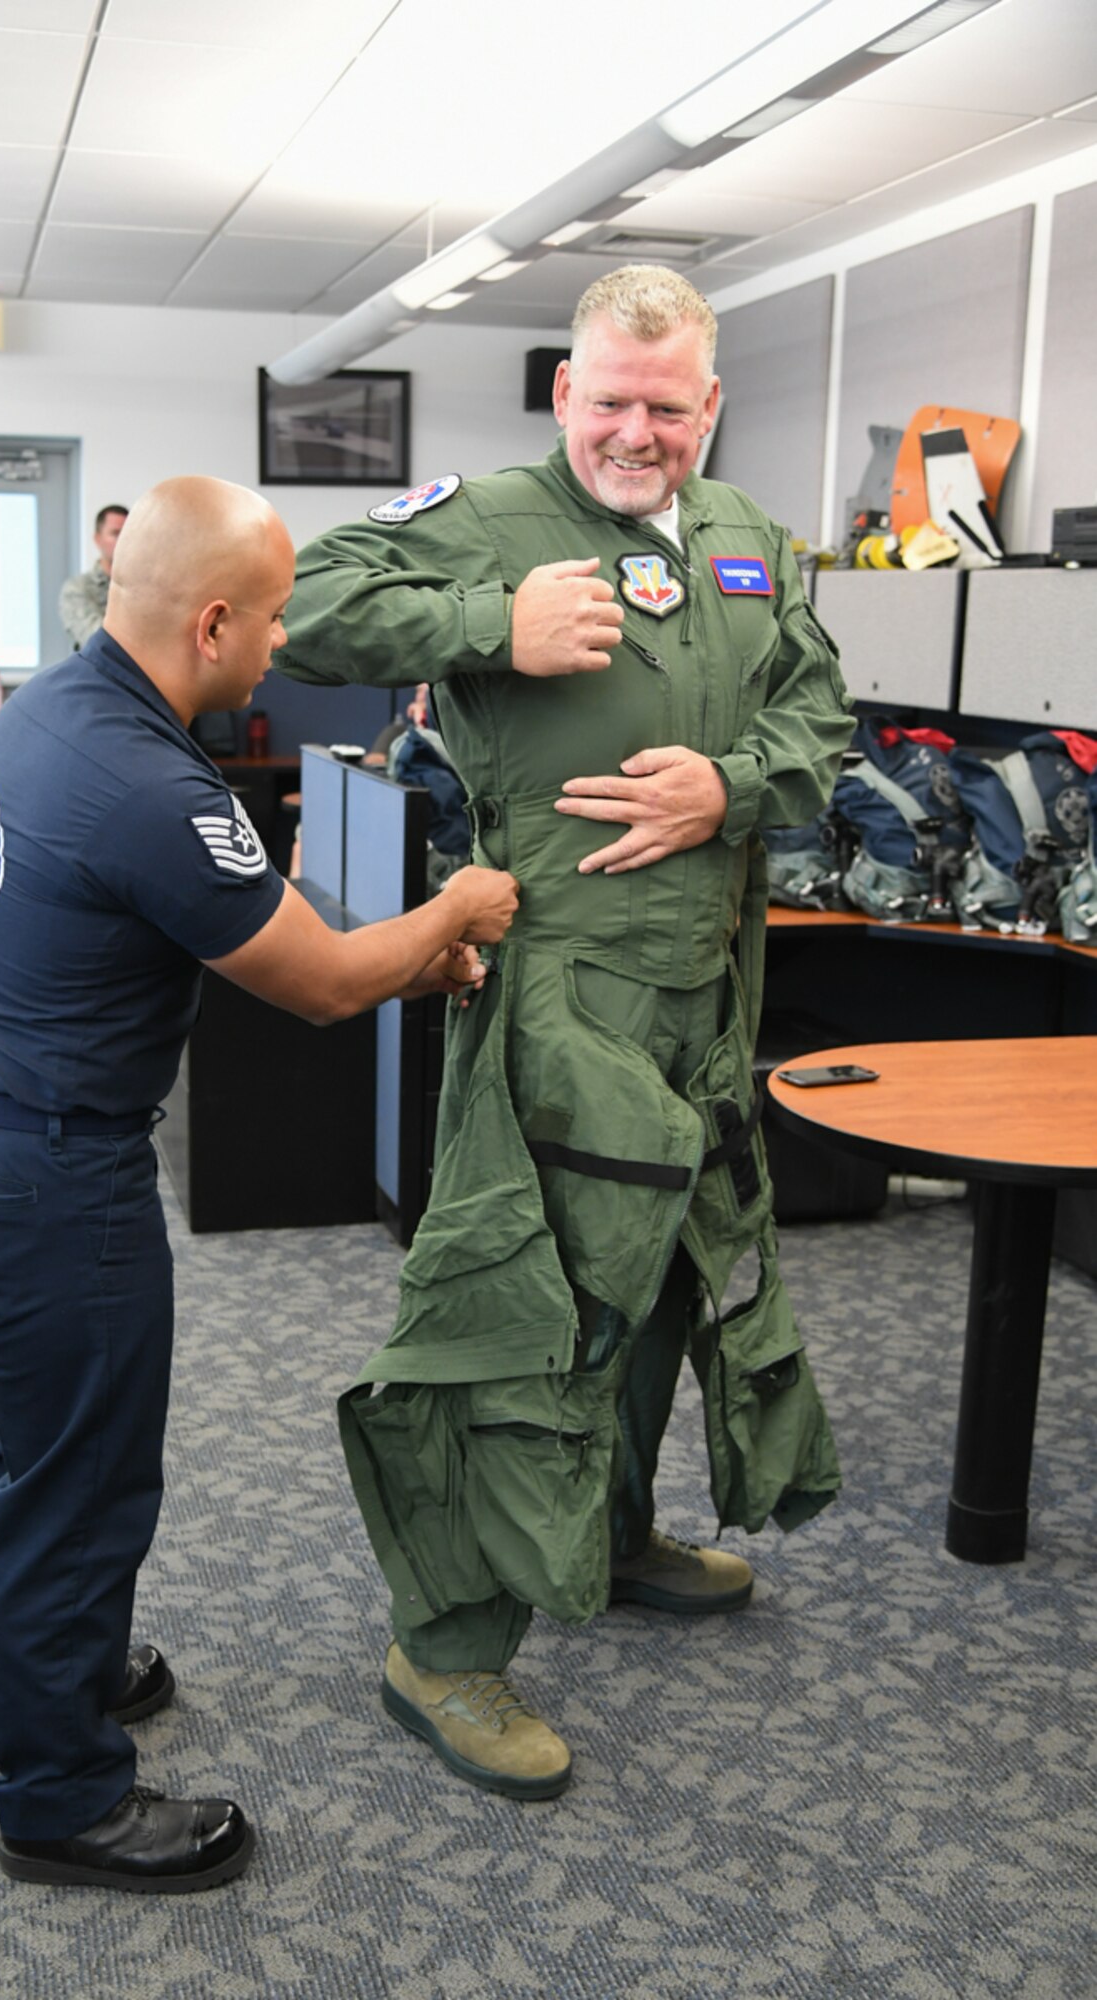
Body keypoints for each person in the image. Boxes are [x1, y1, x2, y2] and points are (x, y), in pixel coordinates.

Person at [274, 266, 856, 1800]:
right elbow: (312, 599)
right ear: (564, 396)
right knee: (527, 1308)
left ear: (709, 405)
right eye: (609, 400)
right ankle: (446, 1649)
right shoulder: (499, 519)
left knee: (671, 1276)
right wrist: (489, 620)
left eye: (667, 406)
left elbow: (820, 719)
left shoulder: (746, 541)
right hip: (558, 1000)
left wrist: (726, 788)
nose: (637, 432)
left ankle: (609, 1530)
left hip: (706, 997)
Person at [0, 475, 518, 1891]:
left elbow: (193, 908)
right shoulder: (153, 784)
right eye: (282, 613)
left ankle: (30, 1688)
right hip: (54, 1179)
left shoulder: (60, 708)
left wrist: (296, 903)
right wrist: (457, 913)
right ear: (219, 622)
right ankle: (63, 1800)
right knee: (87, 1476)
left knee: (28, 1442)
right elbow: (320, 988)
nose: (287, 636)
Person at [59, 503, 127, 648]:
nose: (123, 541)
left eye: (127, 534)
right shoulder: (77, 589)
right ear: (98, 539)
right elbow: (97, 640)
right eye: (115, 534)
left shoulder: (143, 589)